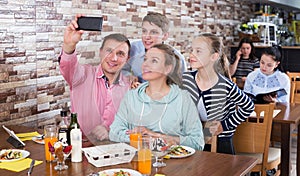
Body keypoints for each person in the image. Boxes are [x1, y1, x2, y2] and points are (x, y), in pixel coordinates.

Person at [109, 44, 205, 150]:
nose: (145, 64)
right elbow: (114, 133)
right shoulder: (131, 96)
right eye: (145, 59)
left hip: (175, 164)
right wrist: (140, 138)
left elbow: (197, 142)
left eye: (154, 61)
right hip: (138, 161)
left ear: (167, 69)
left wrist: (159, 137)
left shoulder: (183, 98)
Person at [59, 14, 131, 141]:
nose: (114, 58)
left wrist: (110, 130)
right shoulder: (82, 76)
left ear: (127, 59)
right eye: (109, 51)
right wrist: (69, 45)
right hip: (81, 148)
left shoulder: (130, 87)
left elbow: (133, 127)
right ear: (101, 51)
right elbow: (68, 66)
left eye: (120, 54)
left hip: (118, 150)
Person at [182, 33, 254, 154]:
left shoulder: (224, 85)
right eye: (192, 50)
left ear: (213, 56)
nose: (192, 54)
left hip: (222, 143)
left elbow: (248, 106)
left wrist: (224, 126)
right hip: (195, 140)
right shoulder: (187, 79)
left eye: (198, 51)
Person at [123, 12, 187, 83]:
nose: (147, 37)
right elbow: (122, 69)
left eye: (153, 32)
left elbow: (183, 85)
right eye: (144, 31)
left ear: (165, 36)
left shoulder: (177, 59)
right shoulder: (133, 48)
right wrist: (128, 76)